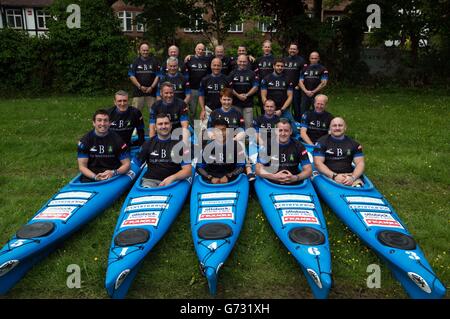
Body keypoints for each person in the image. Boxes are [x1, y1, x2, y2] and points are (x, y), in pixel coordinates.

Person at [136, 113, 192, 188]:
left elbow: (187, 170)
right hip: (150, 181)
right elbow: (135, 164)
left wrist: (172, 178)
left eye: (166, 123)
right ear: (155, 127)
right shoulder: (148, 144)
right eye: (160, 124)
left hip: (174, 181)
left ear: (171, 125)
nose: (163, 126)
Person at [77, 109, 130, 183]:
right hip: (92, 174)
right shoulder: (85, 141)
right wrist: (95, 177)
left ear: (109, 123)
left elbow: (127, 164)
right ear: (94, 123)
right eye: (99, 120)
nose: (102, 123)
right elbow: (82, 167)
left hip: (112, 175)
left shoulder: (118, 140)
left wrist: (114, 172)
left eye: (105, 120)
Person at [256, 118, 312, 184]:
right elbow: (258, 169)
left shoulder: (299, 146)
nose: (283, 133)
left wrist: (296, 178)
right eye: (280, 130)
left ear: (291, 131)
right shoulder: (267, 145)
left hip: (293, 180)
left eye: (286, 131)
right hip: (271, 181)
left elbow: (308, 170)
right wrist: (274, 177)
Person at [313, 117, 365, 187]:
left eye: (340, 125)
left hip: (348, 176)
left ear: (345, 128)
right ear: (330, 128)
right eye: (334, 126)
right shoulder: (321, 142)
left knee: (359, 188)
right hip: (326, 176)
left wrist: (353, 177)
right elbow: (318, 163)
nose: (337, 128)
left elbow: (360, 163)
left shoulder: (354, 144)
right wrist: (334, 176)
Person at [196, 118, 246, 184]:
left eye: (223, 130)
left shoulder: (237, 146)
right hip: (211, 180)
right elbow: (199, 167)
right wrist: (210, 177)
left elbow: (241, 166)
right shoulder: (207, 147)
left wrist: (229, 176)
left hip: (231, 179)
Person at [260, 58, 295, 126]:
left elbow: (290, 97)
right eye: (278, 66)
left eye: (282, 66)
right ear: (274, 66)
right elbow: (263, 96)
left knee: (294, 131)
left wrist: (281, 110)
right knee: (269, 132)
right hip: (270, 110)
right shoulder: (266, 79)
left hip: (284, 110)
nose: (280, 67)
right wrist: (269, 109)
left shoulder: (288, 79)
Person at [128, 41, 161, 113]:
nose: (145, 52)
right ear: (139, 51)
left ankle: (153, 124)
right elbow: (131, 76)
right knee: (135, 114)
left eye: (147, 50)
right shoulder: (135, 62)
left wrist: (151, 87)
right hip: (138, 92)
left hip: (151, 92)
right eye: (143, 50)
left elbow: (158, 75)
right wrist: (140, 86)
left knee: (155, 113)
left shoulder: (154, 61)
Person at [228, 54, 259, 129]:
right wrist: (238, 95)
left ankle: (249, 140)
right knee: (235, 125)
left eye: (244, 61)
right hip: (235, 104)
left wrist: (247, 95)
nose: (242, 63)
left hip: (248, 104)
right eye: (240, 61)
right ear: (237, 62)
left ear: (247, 62)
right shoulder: (232, 73)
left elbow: (255, 87)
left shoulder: (252, 73)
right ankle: (236, 140)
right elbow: (229, 87)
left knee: (249, 126)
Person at [198, 58, 230, 128]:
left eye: (218, 65)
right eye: (214, 65)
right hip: (208, 108)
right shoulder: (205, 79)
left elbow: (229, 95)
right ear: (211, 66)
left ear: (221, 66)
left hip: (222, 108)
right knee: (200, 132)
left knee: (224, 131)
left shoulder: (226, 79)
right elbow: (201, 95)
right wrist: (202, 109)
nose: (216, 67)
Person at [184, 43, 211, 120]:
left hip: (205, 89)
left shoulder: (208, 60)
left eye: (202, 49)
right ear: (195, 50)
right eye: (199, 49)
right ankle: (194, 129)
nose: (200, 51)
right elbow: (184, 72)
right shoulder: (189, 59)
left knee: (205, 110)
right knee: (192, 111)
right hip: (193, 89)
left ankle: (203, 127)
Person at [298, 51, 329, 116]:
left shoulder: (323, 69)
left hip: (317, 95)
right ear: (309, 59)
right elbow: (300, 81)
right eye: (312, 58)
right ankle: (303, 125)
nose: (314, 60)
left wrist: (313, 92)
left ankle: (316, 124)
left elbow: (324, 83)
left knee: (318, 110)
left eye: (315, 58)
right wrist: (306, 91)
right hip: (305, 94)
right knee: (303, 111)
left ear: (318, 59)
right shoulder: (304, 68)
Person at [283, 43, 306, 122]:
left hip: (296, 88)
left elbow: (304, 74)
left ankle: (297, 124)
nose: (292, 50)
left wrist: (299, 86)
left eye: (294, 49)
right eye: (291, 49)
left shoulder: (301, 61)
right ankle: (286, 123)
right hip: (285, 88)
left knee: (296, 108)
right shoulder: (284, 60)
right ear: (288, 50)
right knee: (285, 107)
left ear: (297, 51)